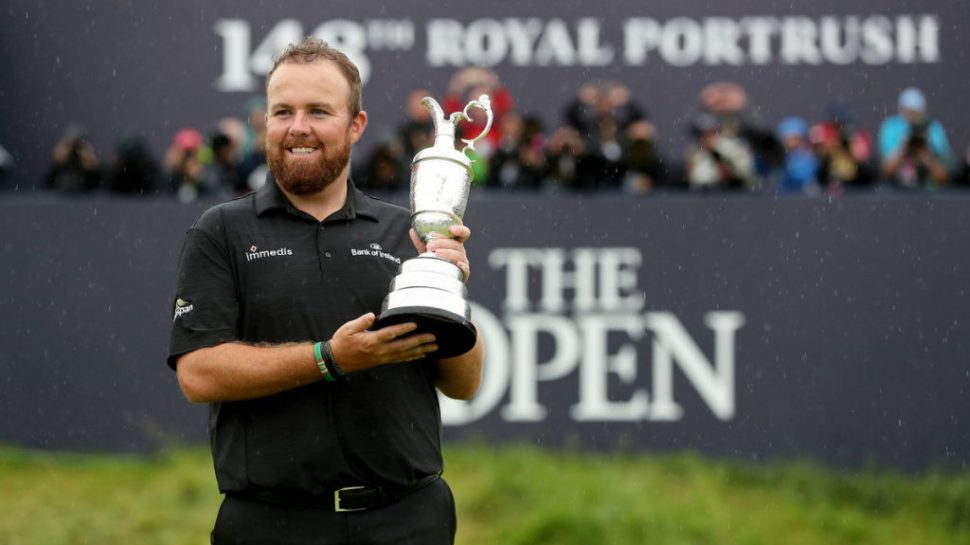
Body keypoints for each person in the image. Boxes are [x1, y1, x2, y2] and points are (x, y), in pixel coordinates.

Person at [168, 38, 483, 545]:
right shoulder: (221, 231)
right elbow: (198, 374)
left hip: (408, 519)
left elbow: (464, 384)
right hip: (271, 524)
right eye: (283, 112)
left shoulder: (406, 230)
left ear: (355, 125)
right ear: (265, 123)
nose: (298, 128)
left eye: (319, 111)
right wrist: (328, 358)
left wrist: (455, 291)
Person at [878, 87, 951, 189]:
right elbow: (885, 171)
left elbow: (945, 176)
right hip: (897, 190)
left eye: (916, 113)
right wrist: (904, 148)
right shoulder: (892, 127)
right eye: (909, 112)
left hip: (928, 191)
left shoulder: (933, 128)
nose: (913, 117)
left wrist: (924, 154)